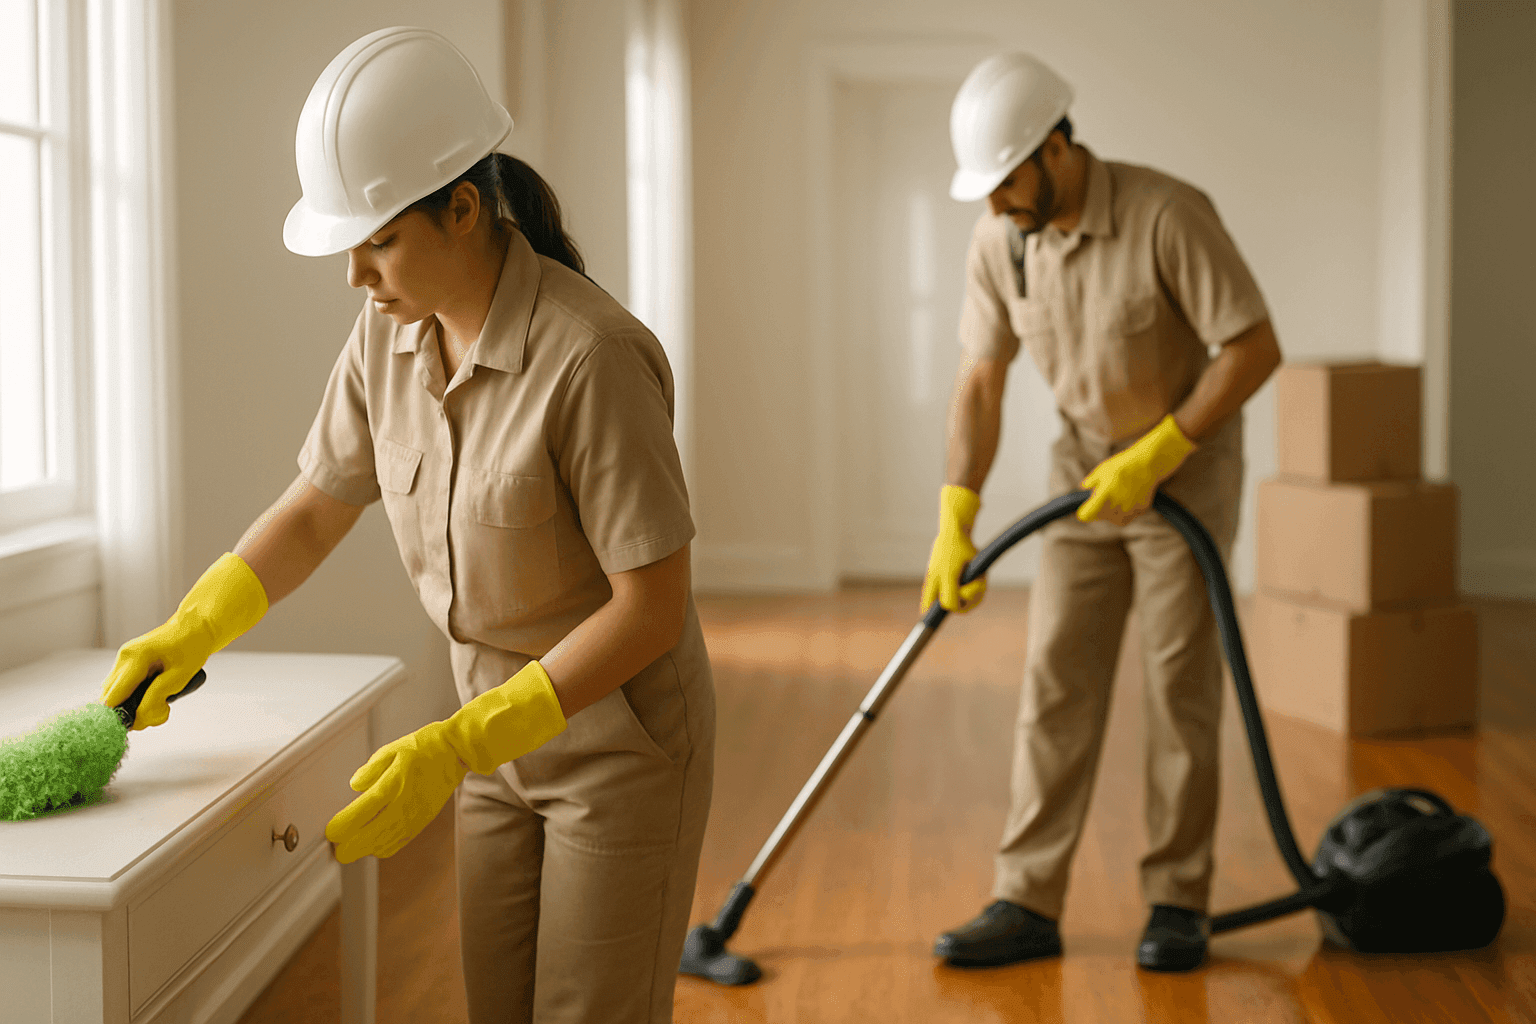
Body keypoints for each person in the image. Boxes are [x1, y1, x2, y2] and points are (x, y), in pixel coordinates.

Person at [97, 26, 713, 1023]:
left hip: (619, 750)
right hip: (488, 744)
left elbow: (652, 609)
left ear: (463, 208)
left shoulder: (592, 358)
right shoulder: (387, 338)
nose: (356, 275)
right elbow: (313, 508)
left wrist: (460, 743)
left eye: (377, 240)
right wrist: (195, 625)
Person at [922, 52, 1282, 973]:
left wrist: (1163, 450)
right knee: (1055, 684)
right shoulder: (1001, 241)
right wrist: (956, 509)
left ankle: (1176, 900)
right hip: (1081, 476)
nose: (997, 202)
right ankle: (1026, 898)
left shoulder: (1167, 214)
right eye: (988, 188)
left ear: (1056, 146)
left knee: (1179, 691)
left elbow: (1252, 347)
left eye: (1007, 180)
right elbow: (981, 380)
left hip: (1183, 477)